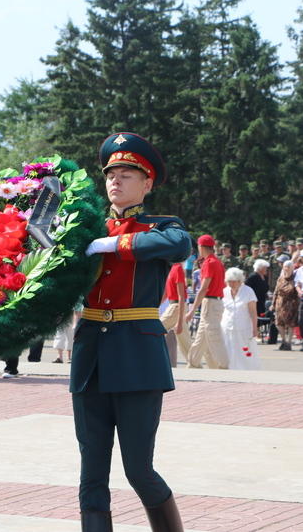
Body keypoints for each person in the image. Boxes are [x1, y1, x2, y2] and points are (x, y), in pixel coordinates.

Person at [78, 132, 188, 530]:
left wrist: (112, 245)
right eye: (111, 174)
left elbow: (179, 244)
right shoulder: (85, 226)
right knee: (91, 474)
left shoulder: (161, 226)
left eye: (127, 174)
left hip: (138, 358)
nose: (116, 181)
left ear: (147, 183)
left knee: (138, 469)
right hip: (90, 355)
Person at [186, 234, 229, 369]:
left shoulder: (208, 263)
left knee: (214, 335)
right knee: (201, 336)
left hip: (210, 302)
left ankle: (224, 365)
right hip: (215, 302)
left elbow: (204, 288)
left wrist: (192, 310)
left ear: (201, 247)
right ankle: (193, 363)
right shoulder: (217, 262)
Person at [221, 267, 260, 370]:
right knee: (228, 350)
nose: (231, 284)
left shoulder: (248, 291)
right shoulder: (224, 291)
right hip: (227, 327)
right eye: (229, 282)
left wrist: (255, 328)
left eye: (234, 282)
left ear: (240, 281)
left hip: (244, 327)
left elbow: (253, 311)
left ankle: (247, 371)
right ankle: (229, 370)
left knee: (245, 351)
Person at [160, 259, 190, 366]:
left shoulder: (177, 268)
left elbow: (181, 296)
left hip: (176, 306)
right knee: (185, 341)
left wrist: (180, 320)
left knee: (156, 329)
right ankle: (193, 364)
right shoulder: (172, 269)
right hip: (175, 306)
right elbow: (167, 293)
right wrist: (156, 306)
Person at [271, 260, 299, 351]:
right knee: (279, 323)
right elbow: (276, 291)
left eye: (288, 267)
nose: (286, 269)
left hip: (291, 303)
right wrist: (273, 303)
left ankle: (289, 342)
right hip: (280, 303)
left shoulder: (295, 278)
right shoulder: (280, 278)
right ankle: (284, 341)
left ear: (292, 268)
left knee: (291, 323)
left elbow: (294, 290)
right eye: (285, 267)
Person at [244, 259, 270, 329]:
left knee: (261, 314)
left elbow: (265, 288)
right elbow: (246, 287)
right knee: (255, 315)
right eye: (265, 268)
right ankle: (255, 330)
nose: (266, 270)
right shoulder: (253, 276)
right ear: (260, 268)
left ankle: (258, 330)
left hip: (262, 300)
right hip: (254, 300)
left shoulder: (265, 277)